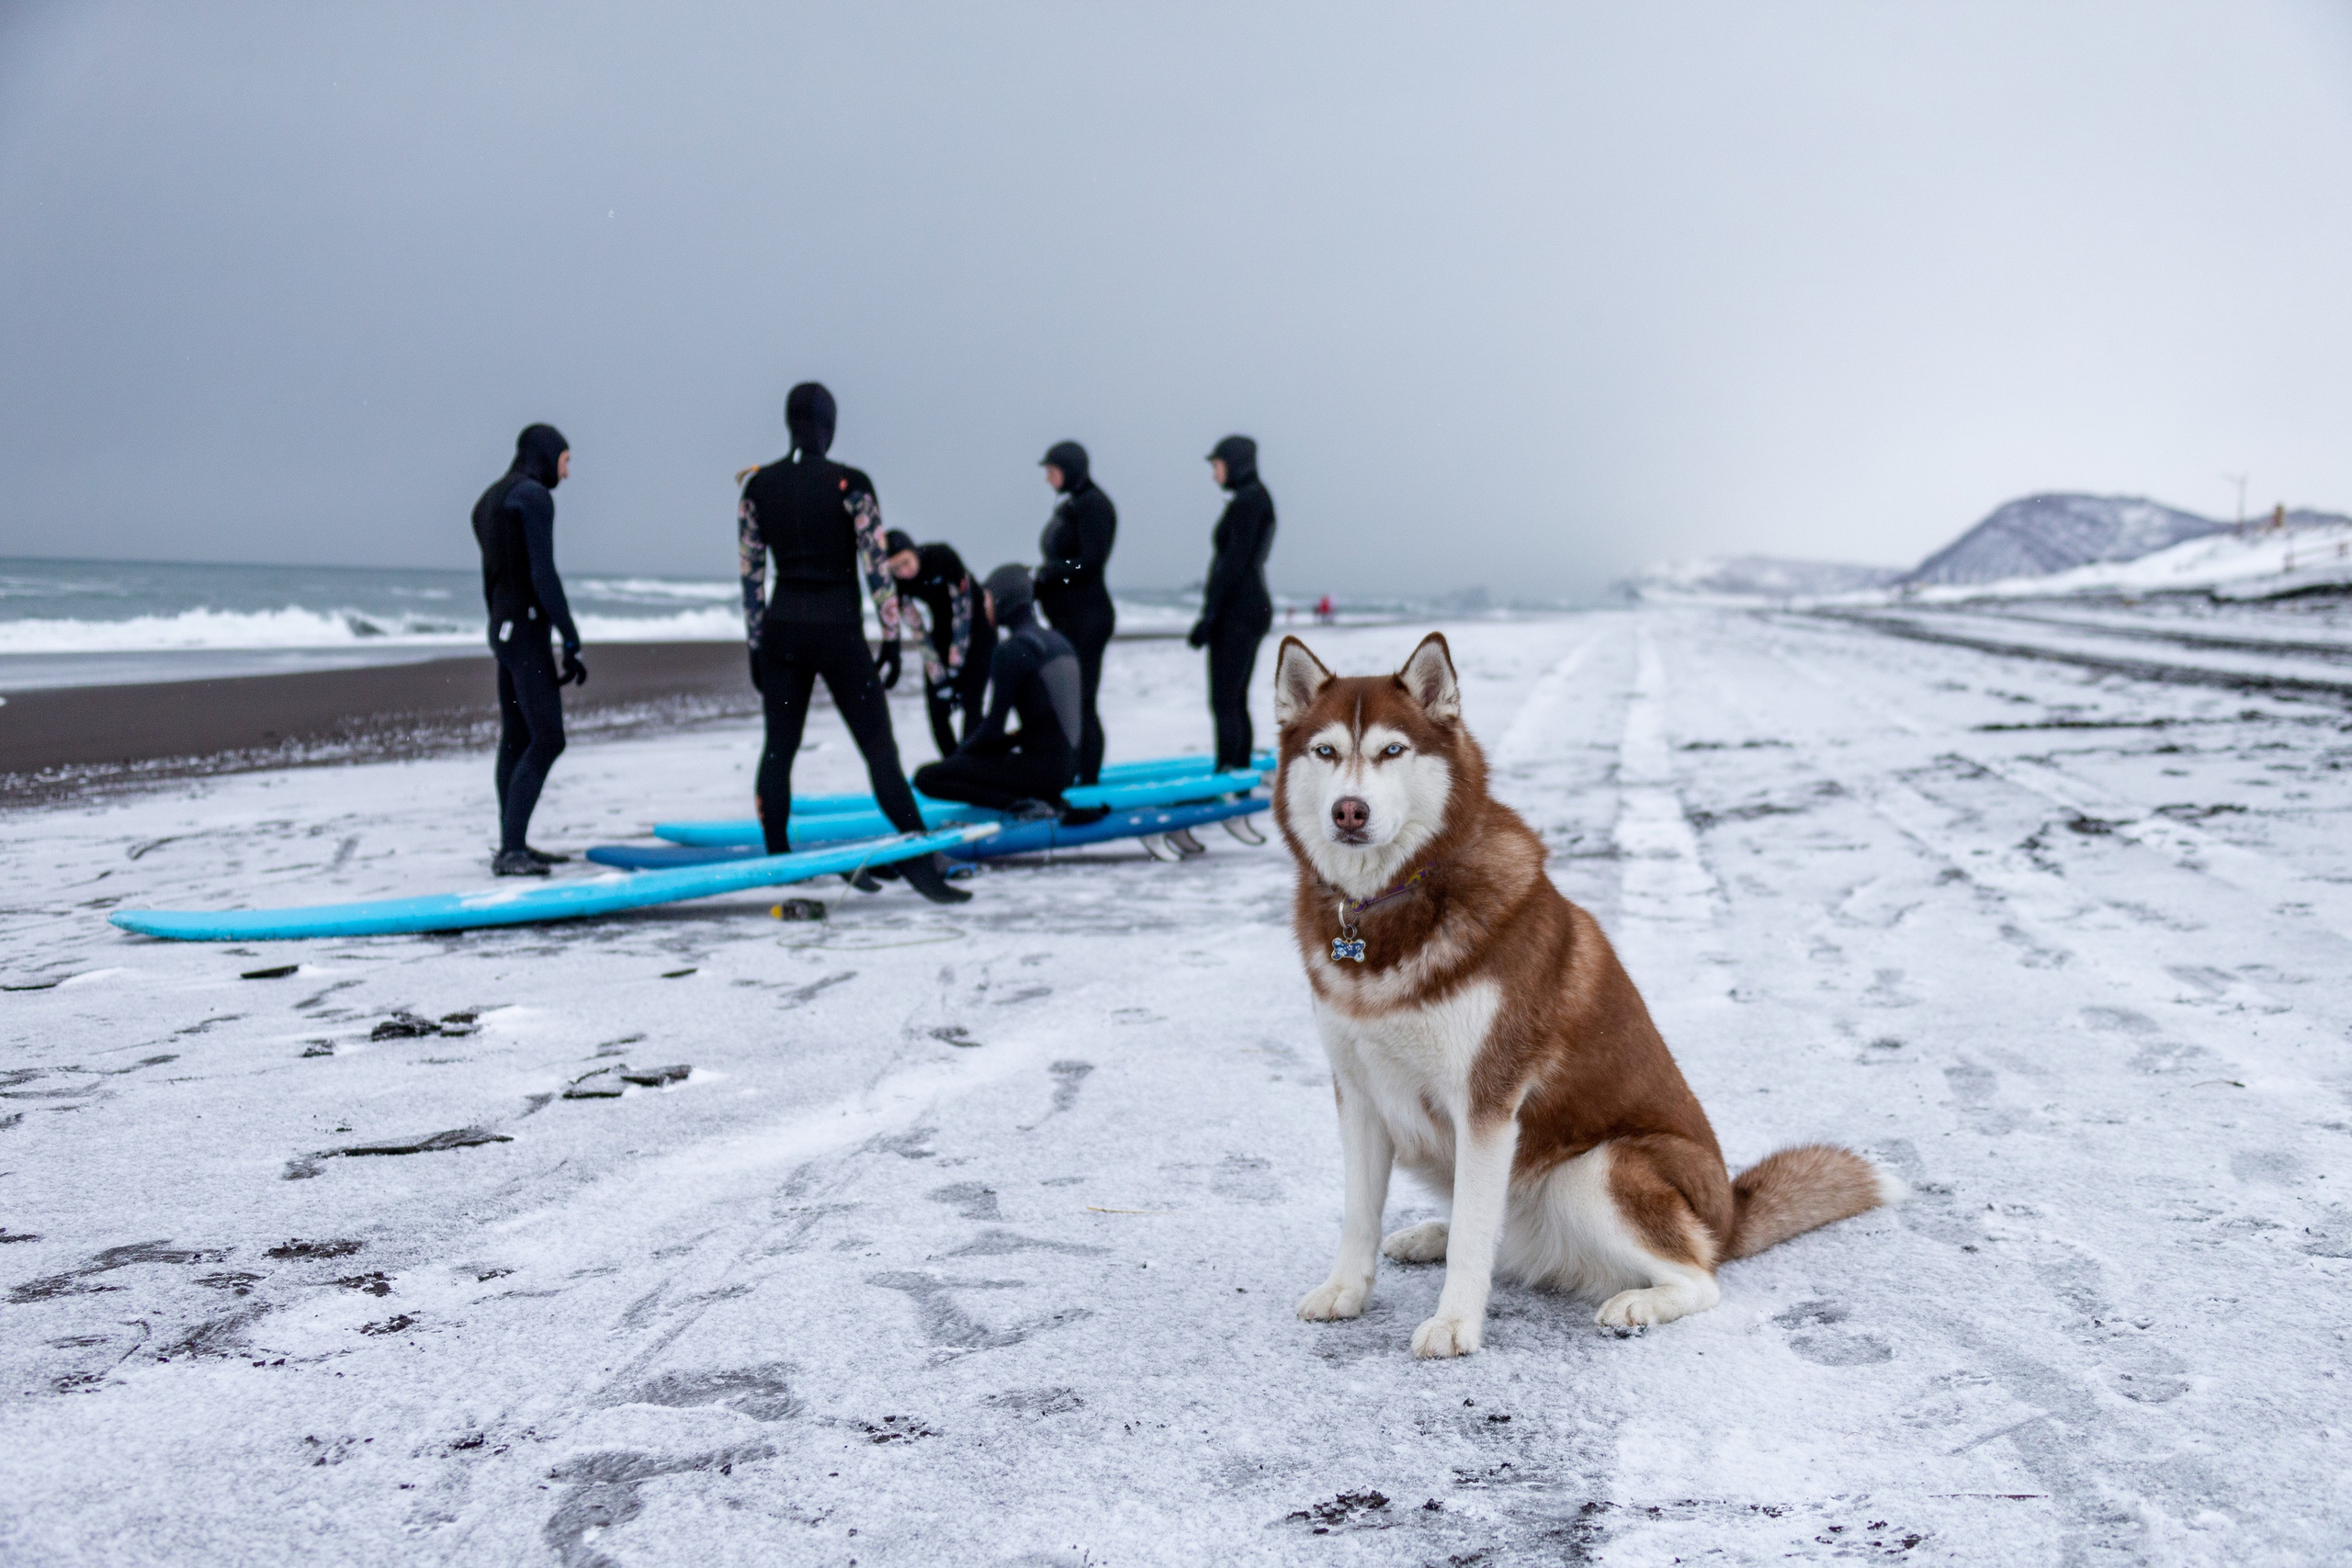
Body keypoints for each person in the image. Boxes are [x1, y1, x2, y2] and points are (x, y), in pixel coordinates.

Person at [737, 382, 969, 905]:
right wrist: (891, 638)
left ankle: (779, 859)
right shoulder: (852, 484)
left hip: (782, 631)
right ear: (828, 424)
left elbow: (751, 577)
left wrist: (755, 645)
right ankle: (918, 854)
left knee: (779, 748)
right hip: (837, 631)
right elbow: (876, 567)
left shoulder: (756, 488)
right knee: (878, 750)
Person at [472, 423, 588, 877]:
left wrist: (499, 626)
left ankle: (512, 842)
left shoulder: (489, 500)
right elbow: (543, 574)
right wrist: (570, 636)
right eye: (566, 460)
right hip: (526, 630)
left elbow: (493, 580)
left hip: (503, 628)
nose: (568, 471)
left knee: (518, 738)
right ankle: (511, 850)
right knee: (548, 737)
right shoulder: (535, 498)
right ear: (546, 455)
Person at [913, 565, 1080, 815]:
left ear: (1004, 599)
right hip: (1068, 769)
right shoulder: (1059, 641)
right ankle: (1039, 799)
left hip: (1041, 773)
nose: (984, 606)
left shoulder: (1012, 649)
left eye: (987, 598)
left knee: (927, 777)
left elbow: (992, 730)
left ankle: (1018, 805)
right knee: (978, 763)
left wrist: (958, 760)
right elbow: (1052, 719)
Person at [1188, 434, 1278, 771]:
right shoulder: (1254, 497)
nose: (1214, 474)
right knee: (1234, 698)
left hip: (1239, 610)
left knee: (1225, 699)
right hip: (1249, 606)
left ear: (1236, 464)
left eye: (1217, 465)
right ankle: (1236, 769)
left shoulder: (1248, 501)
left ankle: (1229, 772)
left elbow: (1233, 563)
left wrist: (1210, 615)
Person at [1035, 439, 1115, 785]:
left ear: (1070, 470)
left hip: (1089, 618)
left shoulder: (1095, 505)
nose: (1048, 479)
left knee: (1082, 701)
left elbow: (1091, 561)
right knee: (1067, 701)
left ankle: (1088, 780)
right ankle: (1072, 771)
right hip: (1068, 619)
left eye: (1052, 471)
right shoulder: (1073, 505)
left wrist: (1050, 572)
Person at [884, 529, 994, 758]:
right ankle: (952, 764)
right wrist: (939, 677)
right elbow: (918, 630)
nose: (904, 572)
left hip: (977, 631)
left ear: (913, 552)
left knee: (971, 703)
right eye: (896, 569)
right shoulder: (898, 583)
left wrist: (955, 668)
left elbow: (963, 612)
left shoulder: (942, 556)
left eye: (905, 563)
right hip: (943, 633)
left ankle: (971, 763)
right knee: (937, 709)